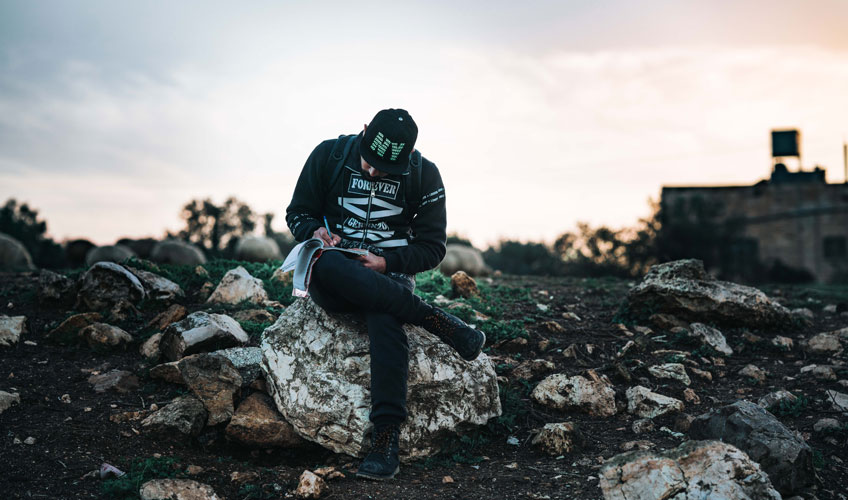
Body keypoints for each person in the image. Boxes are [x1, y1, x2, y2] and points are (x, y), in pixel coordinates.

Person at [285, 108, 486, 480]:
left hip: (390, 278)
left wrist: (386, 261)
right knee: (327, 263)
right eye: (369, 161)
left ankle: (386, 439)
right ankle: (433, 319)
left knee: (383, 314)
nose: (373, 172)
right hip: (334, 275)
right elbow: (297, 213)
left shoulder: (425, 176)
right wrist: (314, 232)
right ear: (363, 131)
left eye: (384, 169)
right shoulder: (327, 155)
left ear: (408, 157)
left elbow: (432, 248)